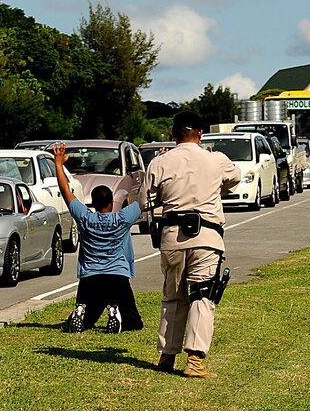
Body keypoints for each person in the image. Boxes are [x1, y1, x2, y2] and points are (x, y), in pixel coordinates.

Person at [141, 110, 240, 379]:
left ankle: (167, 355)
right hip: (207, 237)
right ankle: (195, 361)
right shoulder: (216, 159)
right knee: (202, 296)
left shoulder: (160, 162)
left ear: (173, 135)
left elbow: (144, 201)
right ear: (200, 134)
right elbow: (235, 177)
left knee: (173, 296)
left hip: (172, 236)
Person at [53, 141, 143, 334]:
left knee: (88, 318)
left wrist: (58, 164)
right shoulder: (122, 218)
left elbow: (65, 191)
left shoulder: (85, 217)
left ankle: (80, 312)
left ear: (92, 203)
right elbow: (144, 195)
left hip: (90, 276)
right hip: (117, 274)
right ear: (111, 202)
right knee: (134, 321)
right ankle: (116, 312)